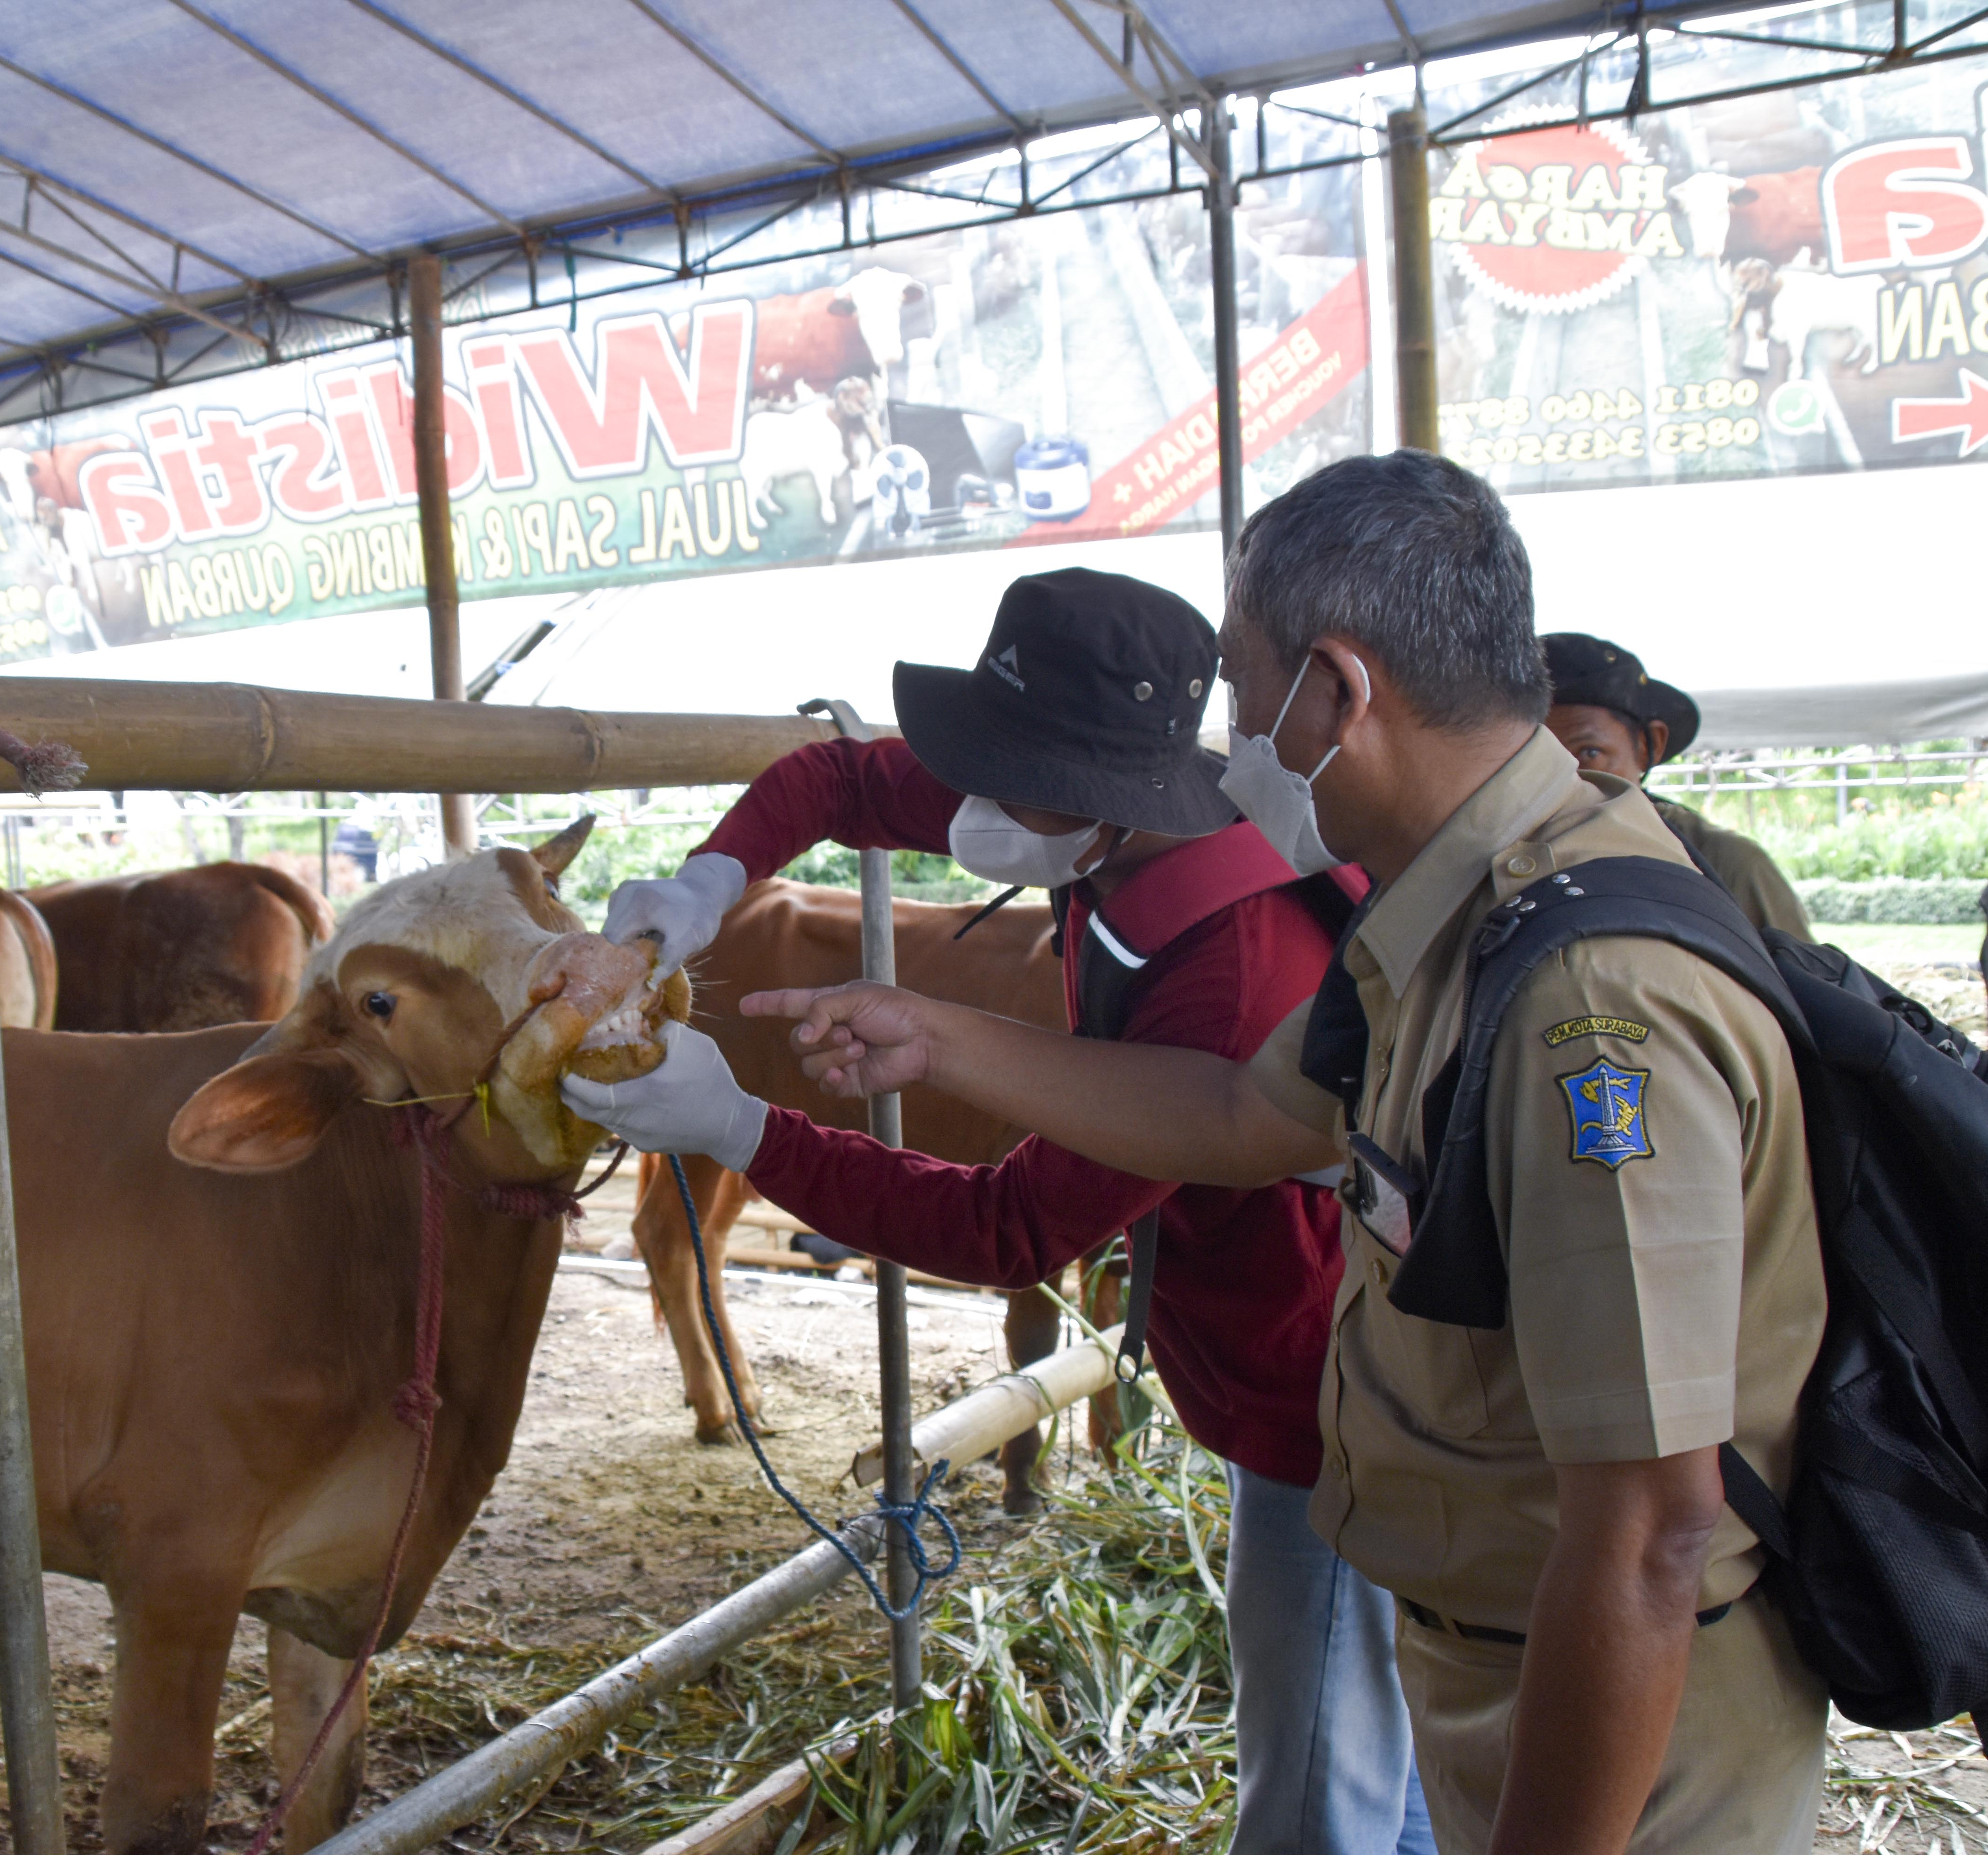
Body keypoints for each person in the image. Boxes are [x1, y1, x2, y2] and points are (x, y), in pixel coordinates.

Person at [730, 454, 1829, 1855]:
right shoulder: (1447, 911)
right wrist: (934, 1037)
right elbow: (1242, 1117)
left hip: (1626, 1741)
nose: (1235, 740)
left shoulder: (1584, 1009)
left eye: (1244, 695)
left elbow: (1649, 1530)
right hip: (1488, 1646)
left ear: (1335, 689)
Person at [569, 567, 1433, 1855]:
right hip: (1276, 1358)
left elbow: (1014, 1230)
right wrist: (702, 890)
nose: (971, 797)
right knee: (1365, 1749)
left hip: (1326, 1395)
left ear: (1103, 789)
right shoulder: (1096, 818)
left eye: (1000, 769)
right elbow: (838, 780)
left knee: (1314, 1794)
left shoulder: (1233, 971)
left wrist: (742, 1129)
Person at [1541, 632, 1812, 940]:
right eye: (1535, 760)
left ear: (1648, 746)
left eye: (1589, 753)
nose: (1561, 780)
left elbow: (1801, 984)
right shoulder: (1489, 861)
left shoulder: (1727, 866)